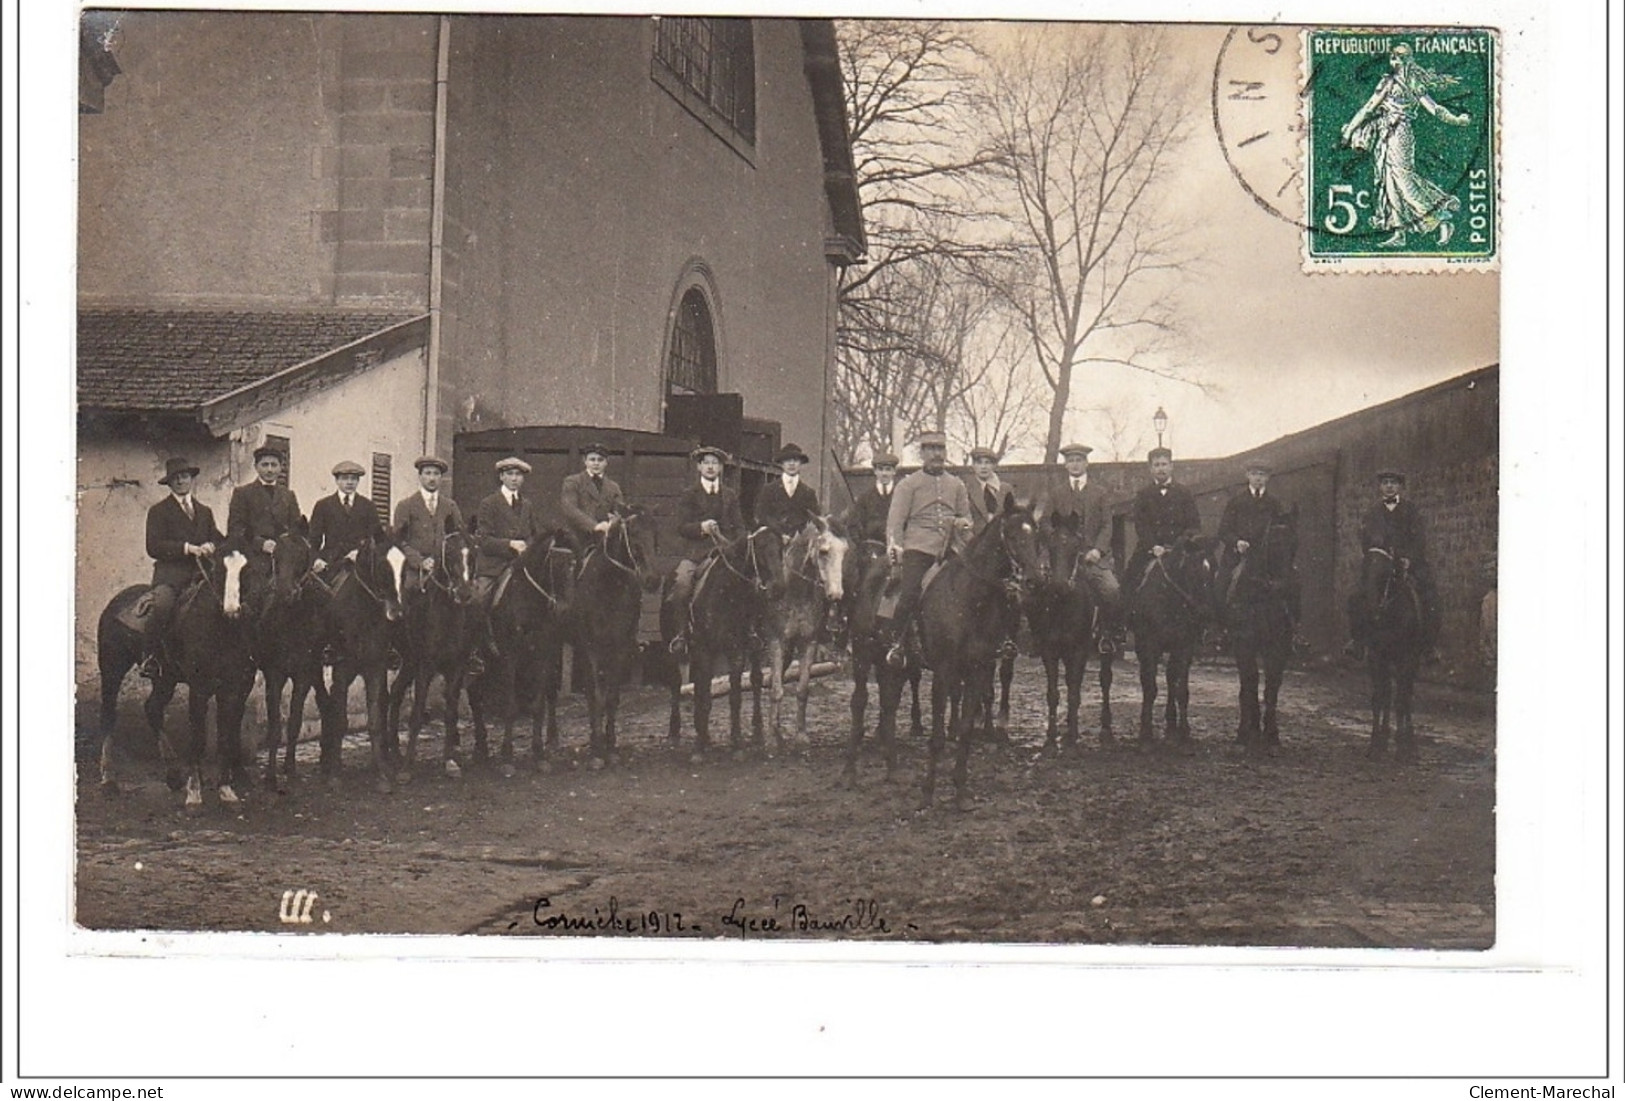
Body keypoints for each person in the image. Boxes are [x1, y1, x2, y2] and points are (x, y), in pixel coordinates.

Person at [1339, 42, 1473, 249]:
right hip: (1384, 134)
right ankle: (1399, 233)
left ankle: (1441, 218)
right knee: (1389, 182)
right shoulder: (1387, 82)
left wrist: (1456, 120)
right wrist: (1349, 131)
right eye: (1394, 58)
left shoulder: (1413, 83)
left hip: (1400, 133)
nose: (1396, 62)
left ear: (1409, 60)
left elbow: (1434, 108)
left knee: (1403, 179)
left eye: (1401, 58)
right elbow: (1368, 108)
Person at [878, 431, 971, 669]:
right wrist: (896, 550)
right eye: (930, 449)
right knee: (909, 592)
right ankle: (896, 643)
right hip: (918, 548)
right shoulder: (908, 484)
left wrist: (963, 526)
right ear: (922, 453)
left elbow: (965, 517)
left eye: (940, 449)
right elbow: (895, 522)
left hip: (950, 549)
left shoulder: (957, 484)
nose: (936, 454)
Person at [1033, 443, 1124, 653]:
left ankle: (1108, 634)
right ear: (1065, 465)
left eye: (1079, 460)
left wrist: (1098, 550)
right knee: (1038, 589)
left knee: (1112, 589)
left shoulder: (1100, 493)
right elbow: (1045, 522)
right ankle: (1040, 637)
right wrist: (1056, 543)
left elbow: (1107, 524)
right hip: (1063, 558)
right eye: (1071, 460)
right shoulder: (1056, 493)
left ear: (1086, 463)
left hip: (1092, 557)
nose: (1075, 464)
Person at [140, 457, 224, 679]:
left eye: (184, 477)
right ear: (169, 483)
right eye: (175, 478)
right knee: (162, 606)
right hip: (171, 577)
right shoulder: (158, 511)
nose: (181, 481)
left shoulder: (204, 511)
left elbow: (216, 537)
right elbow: (153, 546)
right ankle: (152, 657)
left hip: (202, 575)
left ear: (191, 479)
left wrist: (211, 545)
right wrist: (187, 548)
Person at [1347, 470, 1439, 660]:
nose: (1389, 486)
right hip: (1380, 563)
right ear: (1380, 487)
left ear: (1400, 487)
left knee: (1430, 594)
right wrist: (1374, 554)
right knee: (1356, 595)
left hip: (1407, 563)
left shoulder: (1410, 510)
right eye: (1386, 483)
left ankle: (1428, 646)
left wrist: (1409, 558)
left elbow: (1419, 539)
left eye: (1393, 483)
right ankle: (1357, 641)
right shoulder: (1372, 513)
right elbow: (1365, 539)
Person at [666, 445, 745, 655]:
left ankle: (750, 632)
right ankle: (681, 634)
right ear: (699, 467)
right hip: (696, 554)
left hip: (725, 553)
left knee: (749, 583)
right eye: (707, 463)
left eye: (715, 463)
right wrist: (701, 527)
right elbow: (681, 526)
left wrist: (735, 544)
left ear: (721, 468)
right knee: (682, 583)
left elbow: (739, 527)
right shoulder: (689, 494)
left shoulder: (730, 495)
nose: (711, 467)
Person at [1213, 460, 1301, 637]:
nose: (1258, 478)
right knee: (1221, 585)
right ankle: (1218, 629)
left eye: (1262, 475)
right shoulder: (1236, 502)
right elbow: (1224, 530)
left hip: (1266, 558)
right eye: (1254, 474)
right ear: (1247, 476)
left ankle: (1294, 630)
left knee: (1292, 583)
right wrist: (1237, 542)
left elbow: (1282, 533)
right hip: (1239, 555)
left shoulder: (1274, 504)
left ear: (1267, 478)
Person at [471, 455, 551, 611]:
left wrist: (529, 546)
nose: (514, 478)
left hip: (520, 565)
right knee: (479, 601)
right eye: (510, 474)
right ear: (501, 477)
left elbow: (533, 534)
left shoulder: (527, 505)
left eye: (518, 474)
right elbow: (483, 540)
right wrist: (510, 544)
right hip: (494, 567)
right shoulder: (489, 503)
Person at [964, 445, 1021, 658]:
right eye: (979, 463)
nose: (984, 467)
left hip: (1000, 553)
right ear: (973, 466)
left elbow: (1012, 519)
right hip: (973, 551)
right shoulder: (964, 488)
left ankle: (1008, 638)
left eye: (988, 463)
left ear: (994, 465)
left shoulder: (1005, 489)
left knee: (1011, 593)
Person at [1126, 446, 1202, 592]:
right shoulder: (1143, 494)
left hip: (1180, 549)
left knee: (1202, 578)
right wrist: (1153, 546)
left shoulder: (1184, 493)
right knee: (1129, 581)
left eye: (1164, 464)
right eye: (1157, 465)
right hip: (1151, 549)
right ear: (1151, 469)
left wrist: (1180, 545)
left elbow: (1194, 524)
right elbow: (1141, 526)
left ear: (1171, 466)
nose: (1161, 469)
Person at [392, 455, 465, 595]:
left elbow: (457, 537)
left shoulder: (450, 506)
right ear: (420, 477)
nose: (432, 478)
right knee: (409, 596)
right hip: (415, 570)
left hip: (444, 570)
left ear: (441, 478)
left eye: (436, 474)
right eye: (427, 473)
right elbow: (398, 540)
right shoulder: (406, 506)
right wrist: (419, 561)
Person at [309, 459, 385, 575]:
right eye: (345, 478)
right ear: (337, 480)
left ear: (358, 481)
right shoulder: (323, 505)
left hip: (360, 566)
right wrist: (316, 560)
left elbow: (379, 539)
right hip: (330, 564)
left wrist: (360, 554)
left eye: (353, 478)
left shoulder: (368, 506)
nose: (349, 482)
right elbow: (313, 540)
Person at [226, 445, 303, 559]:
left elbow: (296, 527)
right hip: (252, 556)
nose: (270, 470)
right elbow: (235, 529)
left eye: (274, 465)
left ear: (280, 468)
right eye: (265, 465)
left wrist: (284, 544)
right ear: (256, 467)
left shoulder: (288, 495)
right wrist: (260, 544)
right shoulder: (242, 493)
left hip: (283, 558)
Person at [559, 442, 628, 554]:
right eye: (592, 459)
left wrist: (611, 524)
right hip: (577, 537)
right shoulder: (573, 482)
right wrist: (594, 526)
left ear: (606, 463)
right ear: (585, 461)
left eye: (600, 460)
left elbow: (619, 512)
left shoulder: (613, 487)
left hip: (604, 539)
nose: (596, 463)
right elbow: (570, 509)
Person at [754, 443, 821, 539]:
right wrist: (779, 534)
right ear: (781, 463)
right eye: (787, 460)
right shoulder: (769, 490)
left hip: (800, 542)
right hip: (773, 540)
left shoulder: (809, 493)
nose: (791, 463)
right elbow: (762, 515)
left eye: (796, 460)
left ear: (801, 463)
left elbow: (815, 519)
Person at [841, 452, 900, 545]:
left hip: (898, 548)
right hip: (872, 549)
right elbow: (853, 526)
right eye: (880, 469)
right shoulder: (865, 498)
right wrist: (862, 546)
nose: (884, 473)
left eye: (888, 469)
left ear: (894, 471)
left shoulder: (902, 496)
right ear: (875, 471)